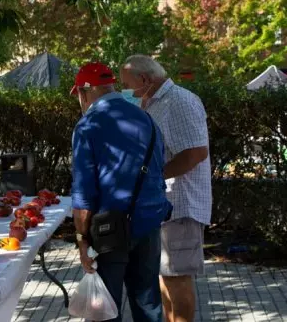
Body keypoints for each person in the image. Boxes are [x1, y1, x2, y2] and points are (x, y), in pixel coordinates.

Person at [70, 62, 172, 322]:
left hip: (110, 231)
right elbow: (159, 168)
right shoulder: (146, 118)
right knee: (148, 305)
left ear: (84, 91)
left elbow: (84, 193)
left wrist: (82, 240)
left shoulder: (87, 125)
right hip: (149, 222)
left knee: (105, 309)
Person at [119, 55, 212, 322]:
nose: (126, 90)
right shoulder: (152, 103)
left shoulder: (179, 101)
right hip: (163, 205)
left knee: (177, 280)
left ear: (145, 79)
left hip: (181, 204)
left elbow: (195, 152)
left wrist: (154, 177)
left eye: (127, 84)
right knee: (165, 278)